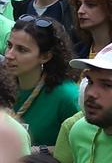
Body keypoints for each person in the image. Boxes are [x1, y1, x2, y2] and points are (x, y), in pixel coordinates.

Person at [2, 17, 79, 149]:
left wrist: (40, 152)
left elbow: (80, 147)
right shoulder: (3, 87)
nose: (9, 55)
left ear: (45, 56)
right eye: (9, 46)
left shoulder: (67, 95)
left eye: (22, 50)